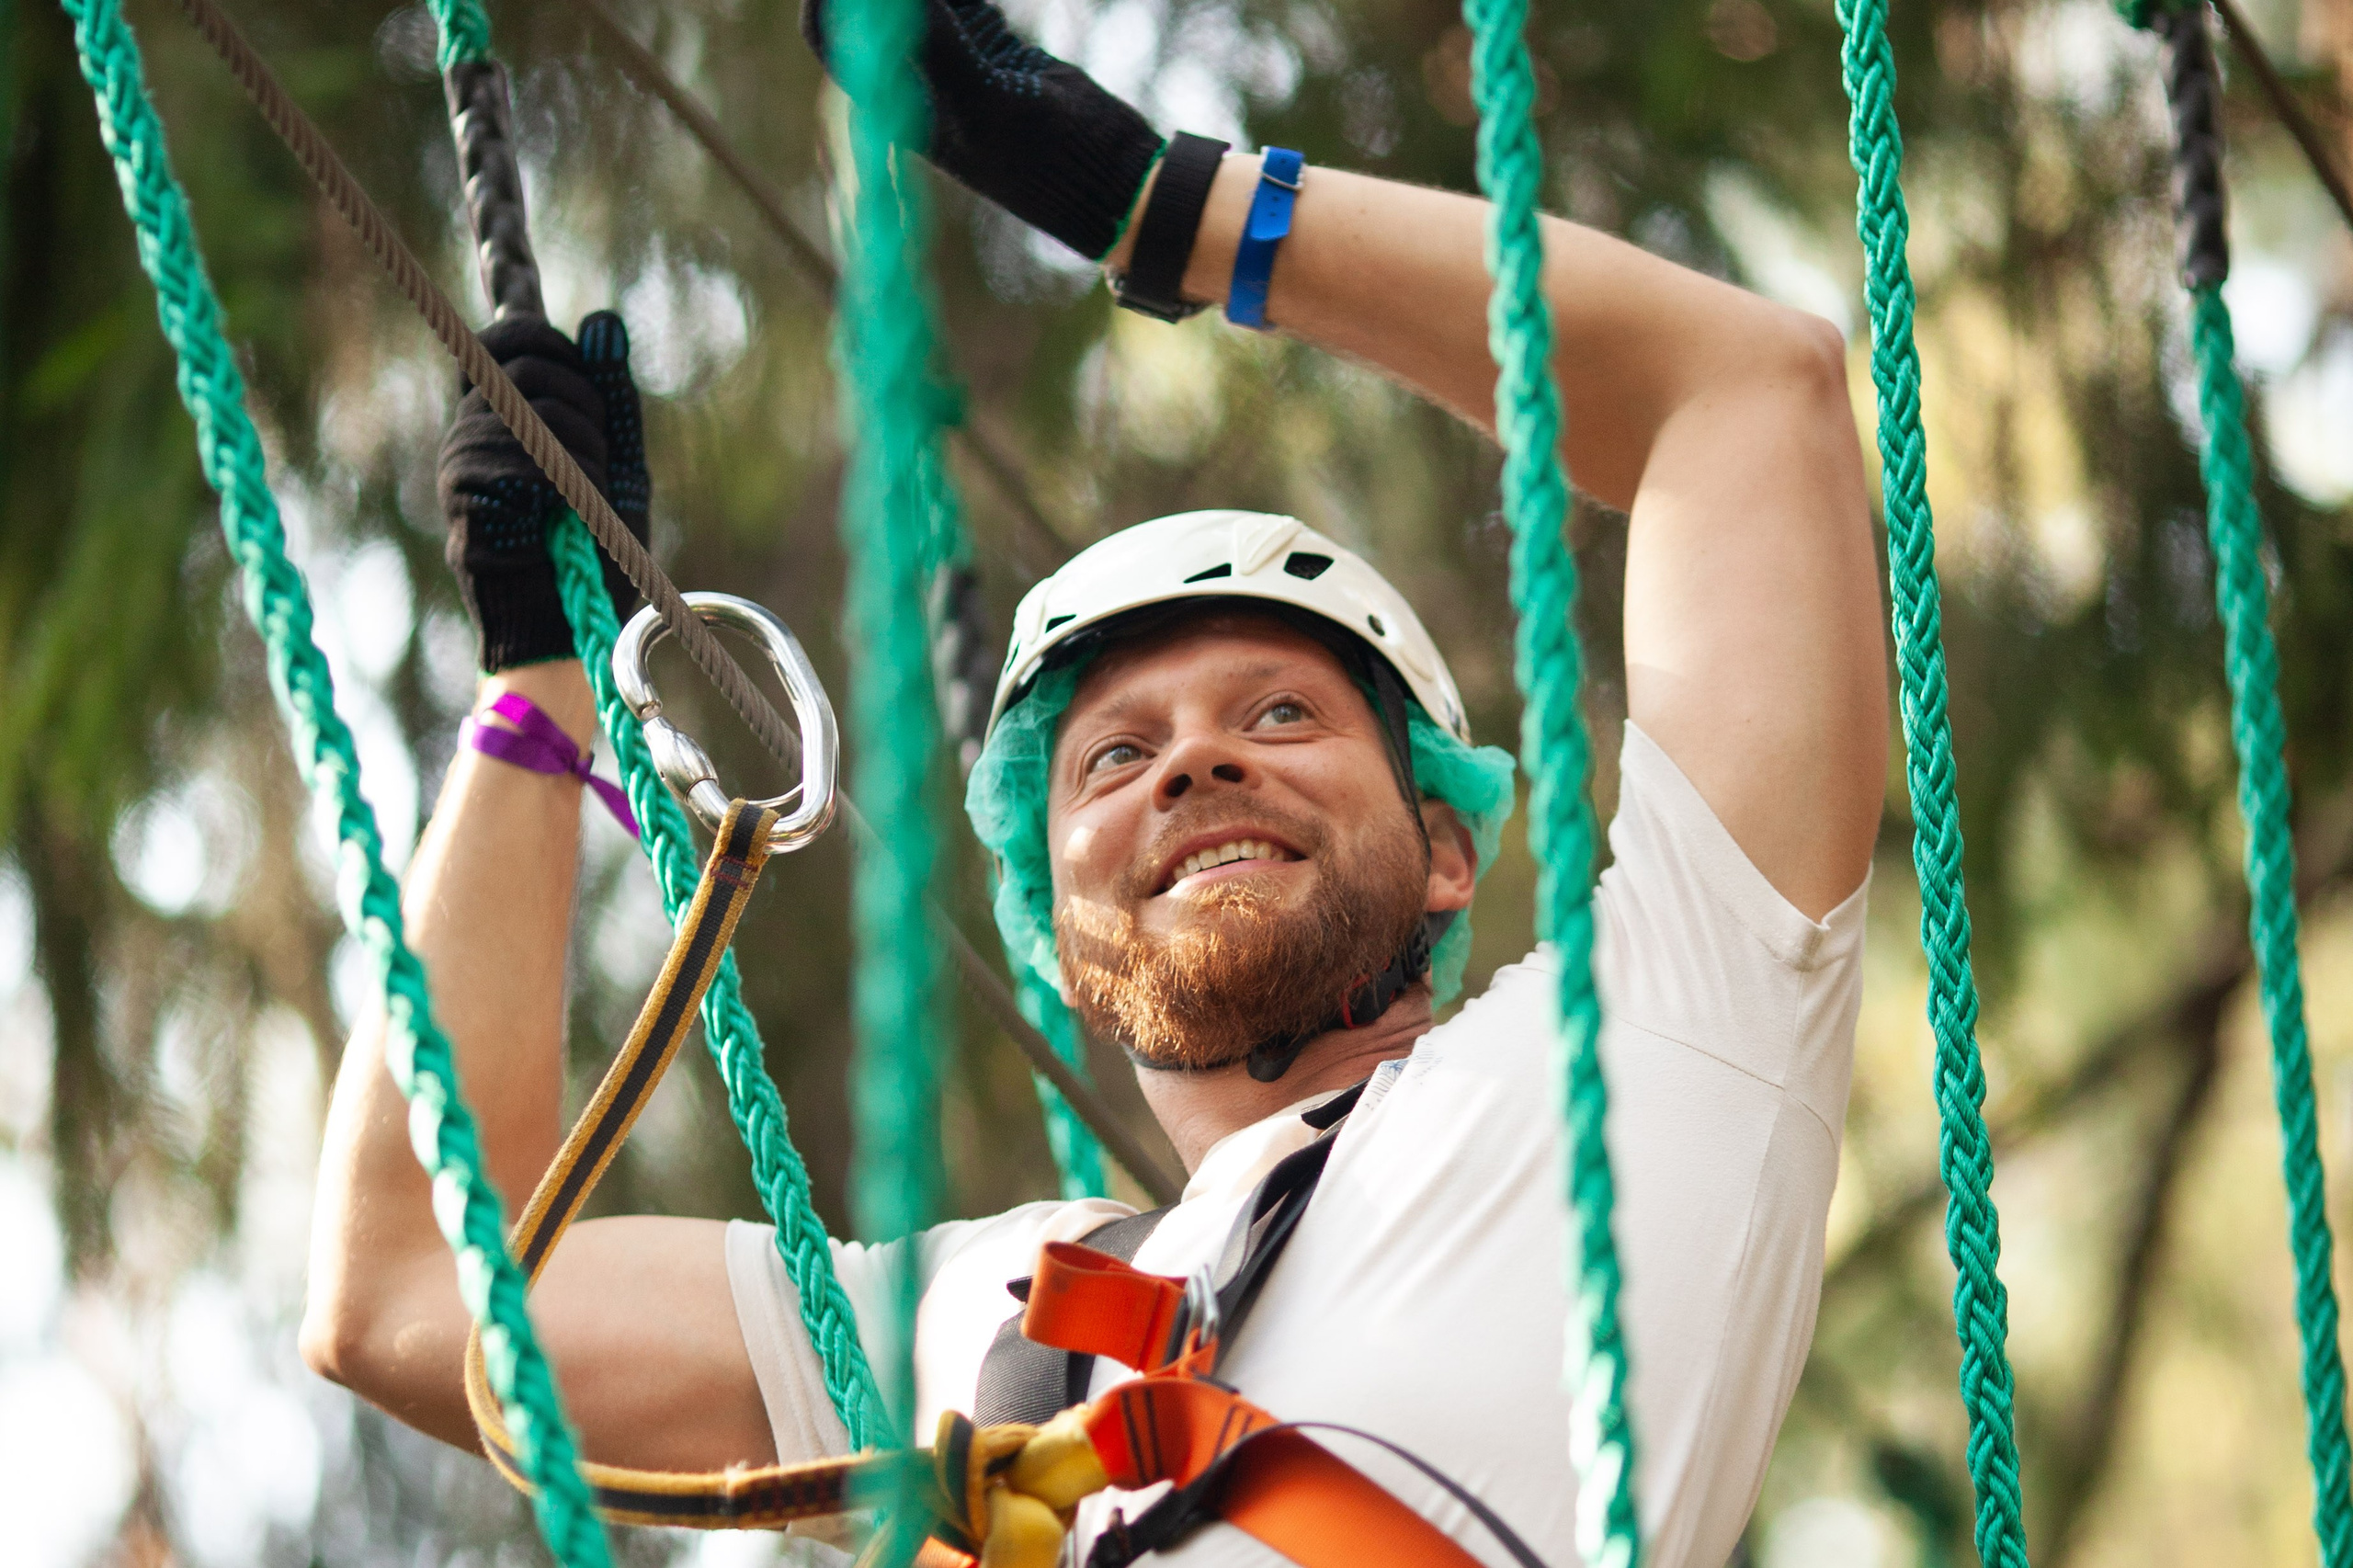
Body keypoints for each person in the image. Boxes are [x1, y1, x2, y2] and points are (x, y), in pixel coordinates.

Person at [300, 3, 1887, 1562]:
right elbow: (413, 1299)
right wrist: (535, 691)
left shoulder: (1641, 1059)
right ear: (1054, 937)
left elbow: (1748, 397)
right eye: (1117, 759)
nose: (1197, 759)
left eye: (1279, 713)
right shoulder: (978, 1315)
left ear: (1449, 846)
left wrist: (1164, 206)